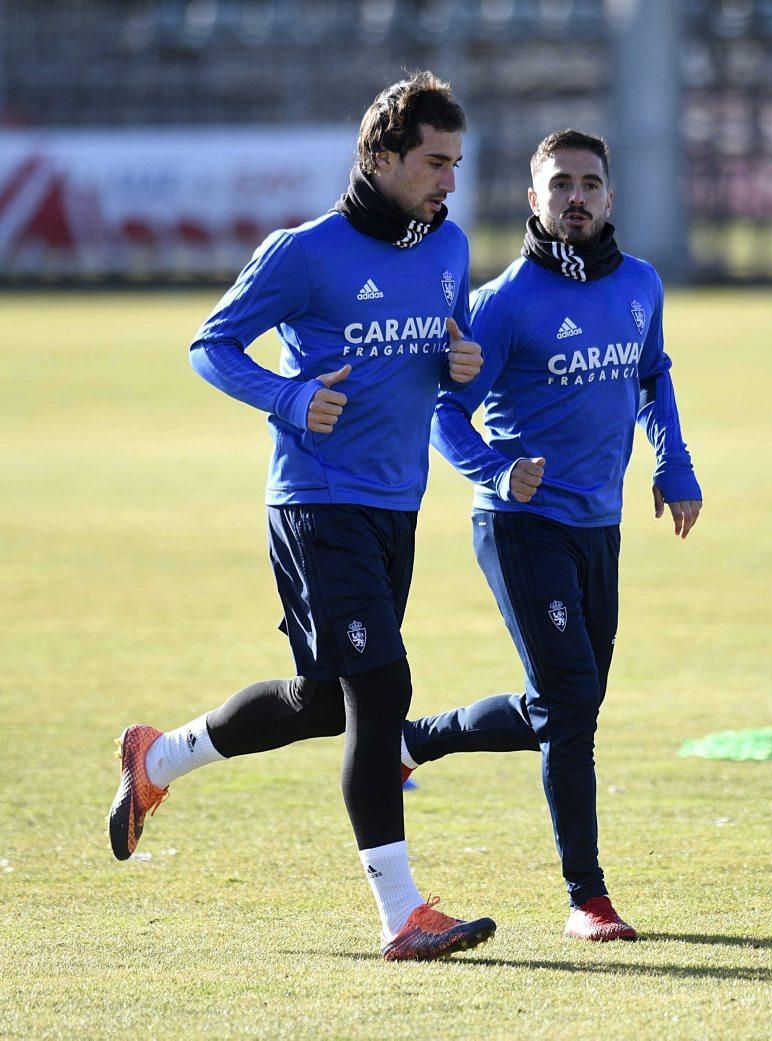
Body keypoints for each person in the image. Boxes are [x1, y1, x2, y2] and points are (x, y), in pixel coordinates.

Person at [107, 71, 497, 963]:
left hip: (396, 504)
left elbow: (445, 360)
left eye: (457, 164)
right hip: (317, 503)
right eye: (434, 163)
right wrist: (287, 398)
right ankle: (402, 912)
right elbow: (211, 344)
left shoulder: (447, 249)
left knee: (326, 702)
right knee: (383, 690)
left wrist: (460, 366)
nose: (448, 181)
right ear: (384, 155)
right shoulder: (304, 251)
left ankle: (155, 759)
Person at [399, 128, 702, 941]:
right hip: (521, 524)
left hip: (598, 527)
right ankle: (587, 897)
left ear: (609, 197)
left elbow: (651, 376)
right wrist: (496, 470)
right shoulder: (504, 304)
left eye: (590, 183)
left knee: (565, 702)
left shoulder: (641, 284)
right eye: (560, 183)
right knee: (571, 705)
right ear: (534, 199)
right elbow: (442, 411)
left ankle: (412, 740)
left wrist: (674, 465)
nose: (576, 195)